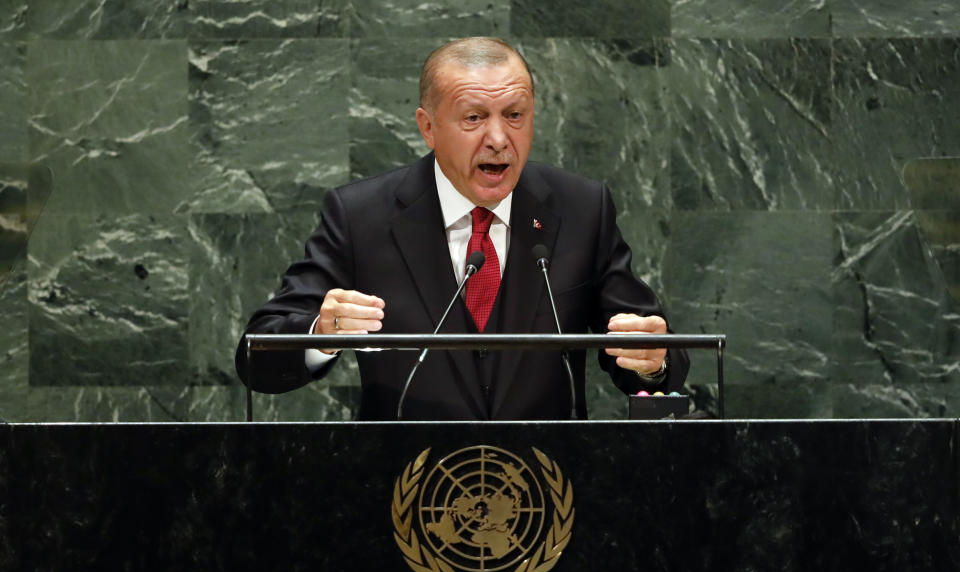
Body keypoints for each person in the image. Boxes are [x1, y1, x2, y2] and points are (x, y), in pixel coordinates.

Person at [236, 37, 689, 420]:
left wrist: (652, 361)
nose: (497, 138)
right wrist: (320, 333)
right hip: (405, 494)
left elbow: (654, 349)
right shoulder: (360, 216)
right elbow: (257, 356)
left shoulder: (581, 209)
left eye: (515, 115)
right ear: (428, 127)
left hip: (546, 495)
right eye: (473, 118)